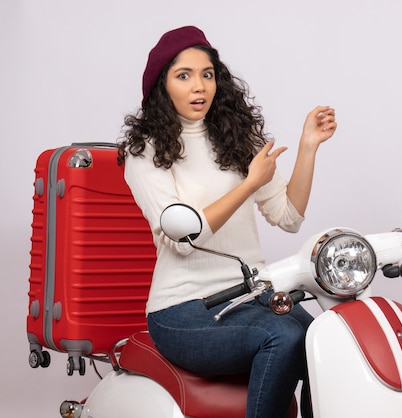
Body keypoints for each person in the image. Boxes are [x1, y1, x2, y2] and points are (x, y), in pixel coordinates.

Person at [117, 26, 336, 418]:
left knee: (324, 340)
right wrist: (250, 182)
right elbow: (183, 237)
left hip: (253, 294)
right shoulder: (145, 151)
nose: (198, 86)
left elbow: (288, 217)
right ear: (161, 85)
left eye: (207, 74)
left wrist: (307, 147)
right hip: (182, 308)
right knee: (284, 337)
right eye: (183, 75)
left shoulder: (238, 136)